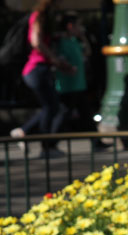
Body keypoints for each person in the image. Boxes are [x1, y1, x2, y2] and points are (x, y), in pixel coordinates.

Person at [10, 0, 76, 159]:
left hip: (40, 69)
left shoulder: (43, 18)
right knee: (51, 106)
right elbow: (36, 41)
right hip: (36, 69)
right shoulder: (39, 16)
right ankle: (45, 146)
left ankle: (24, 132)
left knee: (52, 106)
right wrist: (54, 59)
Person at [53, 12, 106, 149]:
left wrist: (83, 37)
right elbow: (59, 61)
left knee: (86, 115)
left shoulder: (74, 41)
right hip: (67, 86)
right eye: (78, 26)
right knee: (63, 115)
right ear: (70, 26)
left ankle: (96, 142)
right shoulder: (61, 42)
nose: (80, 28)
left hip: (78, 85)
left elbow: (87, 52)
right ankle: (49, 144)